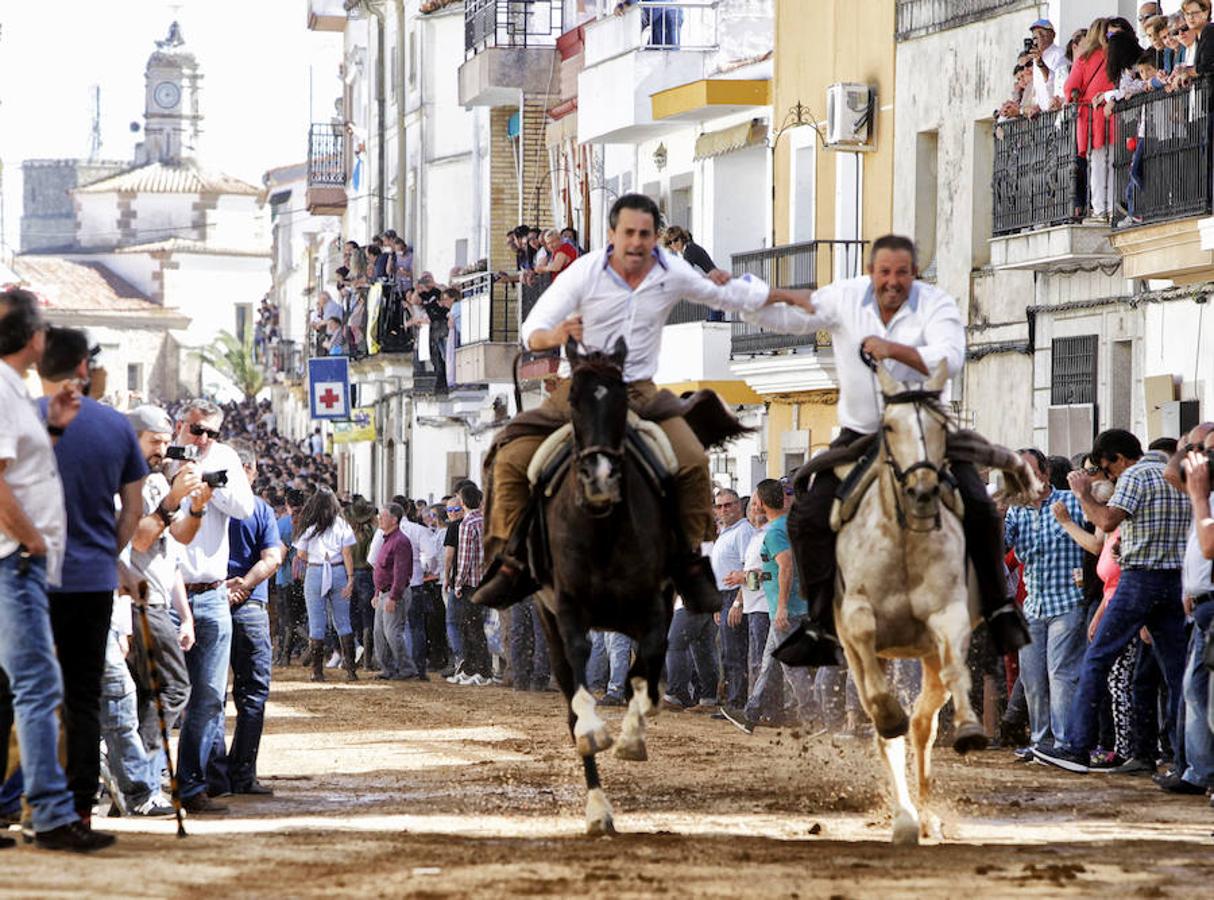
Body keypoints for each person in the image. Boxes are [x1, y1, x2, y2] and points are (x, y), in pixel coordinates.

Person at [472, 193, 806, 615]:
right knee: (508, 455)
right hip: (584, 386)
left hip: (640, 390)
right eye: (629, 233)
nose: (637, 242)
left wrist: (776, 299)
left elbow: (724, 296)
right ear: (612, 234)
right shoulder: (583, 272)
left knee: (690, 458)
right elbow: (531, 331)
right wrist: (555, 336)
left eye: (645, 234)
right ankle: (510, 563)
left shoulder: (671, 269)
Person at [743, 235, 1030, 665]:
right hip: (861, 432)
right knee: (806, 516)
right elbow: (799, 310)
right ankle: (822, 624)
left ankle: (999, 609)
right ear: (871, 273)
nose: (892, 281)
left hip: (925, 428)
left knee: (979, 505)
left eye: (902, 273)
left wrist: (893, 348)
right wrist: (750, 296)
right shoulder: (847, 303)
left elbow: (950, 358)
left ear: (913, 274)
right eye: (884, 272)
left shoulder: (936, 306)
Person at [0, 288, 114, 851]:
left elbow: (17, 465)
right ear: (32, 337)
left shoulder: (15, 392)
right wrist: (31, 541)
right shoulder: (2, 390)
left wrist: (56, 429)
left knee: (28, 685)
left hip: (22, 560)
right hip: (13, 559)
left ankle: (40, 810)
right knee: (39, 684)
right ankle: (48, 815)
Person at [36, 326, 147, 824]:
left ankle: (13, 801)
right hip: (92, 578)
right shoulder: (116, 425)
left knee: (23, 690)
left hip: (29, 575)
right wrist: (109, 553)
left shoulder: (23, 419)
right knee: (84, 696)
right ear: (84, 366)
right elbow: (132, 510)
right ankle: (79, 808)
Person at [1035, 429, 1192, 773]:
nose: (1107, 477)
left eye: (1106, 469)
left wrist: (1081, 495)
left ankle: (1077, 747)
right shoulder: (1177, 476)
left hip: (1139, 581)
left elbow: (1106, 520)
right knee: (1177, 673)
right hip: (1174, 581)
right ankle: (1184, 761)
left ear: (1119, 459)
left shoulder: (1134, 475)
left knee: (1097, 659)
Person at [170, 398, 255, 815]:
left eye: (210, 433)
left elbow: (244, 508)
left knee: (207, 697)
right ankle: (145, 784)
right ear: (181, 425)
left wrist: (209, 484)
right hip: (168, 592)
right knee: (166, 694)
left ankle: (190, 784)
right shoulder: (162, 458)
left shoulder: (224, 459)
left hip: (212, 592)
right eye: (196, 429)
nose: (202, 439)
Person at [122, 404, 199, 805]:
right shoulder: (130, 480)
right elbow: (139, 539)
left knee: (147, 695)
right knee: (173, 689)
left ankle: (137, 782)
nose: (163, 450)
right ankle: (142, 779)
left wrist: (197, 503)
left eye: (168, 442)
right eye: (154, 441)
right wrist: (171, 500)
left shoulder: (155, 479)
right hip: (140, 605)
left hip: (154, 603)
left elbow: (179, 542)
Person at [207, 444, 282, 797]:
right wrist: (246, 585)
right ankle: (242, 774)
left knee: (211, 694)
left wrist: (226, 588)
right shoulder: (261, 509)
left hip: (210, 600)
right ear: (251, 470)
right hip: (250, 606)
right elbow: (272, 558)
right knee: (252, 695)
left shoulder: (205, 504)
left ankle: (213, 776)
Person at [1003, 448, 1088, 752]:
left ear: (1045, 473)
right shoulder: (1016, 510)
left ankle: (1064, 743)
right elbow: (1001, 545)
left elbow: (1096, 538)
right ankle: (1041, 741)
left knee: (1061, 673)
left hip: (1068, 601)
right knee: (1032, 678)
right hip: (1034, 604)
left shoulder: (1071, 502)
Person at [722, 479, 818, 734]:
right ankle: (750, 714)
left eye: (755, 502)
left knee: (789, 666)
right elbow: (775, 572)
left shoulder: (775, 531)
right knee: (768, 664)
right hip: (790, 607)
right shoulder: (787, 526)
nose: (753, 506)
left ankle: (812, 716)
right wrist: (744, 578)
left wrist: (782, 607)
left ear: (762, 503)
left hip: (784, 610)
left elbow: (786, 566)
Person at [293, 488, 357, 682]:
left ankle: (317, 671)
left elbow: (300, 554)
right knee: (343, 621)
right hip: (338, 570)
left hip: (316, 570)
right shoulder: (342, 525)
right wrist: (351, 577)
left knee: (316, 622)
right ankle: (351, 670)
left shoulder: (309, 526)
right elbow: (347, 554)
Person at [709, 488, 754, 712]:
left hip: (737, 595)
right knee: (728, 651)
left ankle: (737, 702)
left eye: (729, 505)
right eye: (720, 506)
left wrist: (738, 602)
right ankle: (732, 699)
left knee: (735, 651)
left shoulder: (743, 531)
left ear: (738, 506)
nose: (724, 509)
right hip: (724, 597)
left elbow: (749, 568)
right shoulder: (726, 531)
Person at [1065, 20, 1114, 219]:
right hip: (1111, 111)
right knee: (1112, 161)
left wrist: (1073, 97)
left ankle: (1101, 207)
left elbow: (1070, 88)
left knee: (1098, 162)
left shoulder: (1084, 58)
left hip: (1092, 115)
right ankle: (1110, 205)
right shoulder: (1113, 54)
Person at [452, 483, 493, 686]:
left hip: (471, 583)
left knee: (471, 626)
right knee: (473, 625)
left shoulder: (467, 524)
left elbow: (465, 558)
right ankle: (473, 668)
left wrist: (458, 583)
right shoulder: (485, 521)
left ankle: (481, 669)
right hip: (485, 580)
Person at [371, 503, 416, 681]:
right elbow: (382, 570)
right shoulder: (388, 539)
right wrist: (377, 593)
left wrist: (393, 596)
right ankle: (388, 668)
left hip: (393, 593)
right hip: (384, 593)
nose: (379, 519)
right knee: (380, 633)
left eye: (383, 516)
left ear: (394, 519)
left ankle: (406, 668)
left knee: (392, 633)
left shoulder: (400, 541)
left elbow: (400, 572)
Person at [1028, 19, 1070, 111]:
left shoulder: (1060, 54)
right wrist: (1036, 105)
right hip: (1044, 113)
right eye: (1035, 36)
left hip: (1058, 108)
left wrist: (1041, 64)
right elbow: (1038, 87)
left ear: (1053, 35)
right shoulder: (1036, 57)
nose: (1038, 37)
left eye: (1042, 34)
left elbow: (1059, 81)